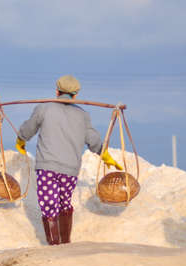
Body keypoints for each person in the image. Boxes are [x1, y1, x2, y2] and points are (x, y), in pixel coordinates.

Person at [15, 75, 123, 245]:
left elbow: (29, 127)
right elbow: (93, 139)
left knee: (49, 206)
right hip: (70, 170)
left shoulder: (44, 108)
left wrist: (21, 139)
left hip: (47, 168)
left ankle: (55, 245)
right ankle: (65, 243)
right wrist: (105, 154)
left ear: (57, 91)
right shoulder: (83, 115)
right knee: (65, 204)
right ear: (75, 95)